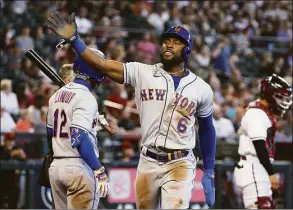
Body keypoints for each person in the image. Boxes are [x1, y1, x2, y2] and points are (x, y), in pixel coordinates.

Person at [48, 12, 216, 209]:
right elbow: (101, 65)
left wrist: (209, 170)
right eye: (166, 40)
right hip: (148, 160)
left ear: (187, 51)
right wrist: (76, 41)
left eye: (176, 42)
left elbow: (206, 129)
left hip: (179, 162)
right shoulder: (142, 72)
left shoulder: (202, 88)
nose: (169, 44)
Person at [46, 49, 110, 209]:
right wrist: (99, 170)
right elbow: (78, 135)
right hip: (79, 167)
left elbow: (49, 133)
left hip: (57, 166)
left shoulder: (56, 95)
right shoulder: (87, 98)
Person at [233, 74, 292, 209]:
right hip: (253, 166)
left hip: (257, 167)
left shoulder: (261, 112)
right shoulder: (257, 114)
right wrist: (271, 173)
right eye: (280, 97)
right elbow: (259, 146)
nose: (284, 102)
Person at [0, 132, 26, 209]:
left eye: (12, 140)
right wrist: (13, 153)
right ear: (4, 141)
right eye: (8, 140)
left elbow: (24, 159)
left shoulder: (16, 148)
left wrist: (22, 155)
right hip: (1, 181)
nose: (11, 142)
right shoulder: (1, 148)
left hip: (13, 182)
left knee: (13, 203)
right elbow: (3, 157)